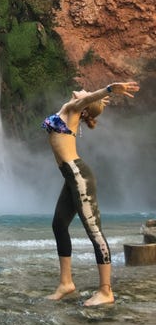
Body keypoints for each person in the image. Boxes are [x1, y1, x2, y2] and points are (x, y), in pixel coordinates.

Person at [43, 81, 140, 306]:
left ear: (84, 107)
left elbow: (87, 100)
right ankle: (66, 283)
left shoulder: (74, 108)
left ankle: (106, 291)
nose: (83, 90)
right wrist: (99, 99)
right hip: (70, 177)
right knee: (59, 225)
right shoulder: (68, 108)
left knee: (94, 231)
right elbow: (88, 101)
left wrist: (108, 90)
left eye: (86, 94)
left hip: (79, 176)